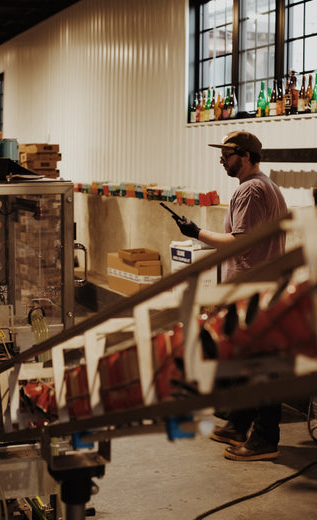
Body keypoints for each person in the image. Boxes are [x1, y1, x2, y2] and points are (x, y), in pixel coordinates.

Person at [171, 130, 288, 461]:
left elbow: (241, 241)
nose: (221, 159)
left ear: (247, 156)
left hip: (253, 289)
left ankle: (266, 439)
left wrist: (197, 233)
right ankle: (239, 423)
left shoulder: (251, 189)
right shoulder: (265, 186)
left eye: (228, 153)